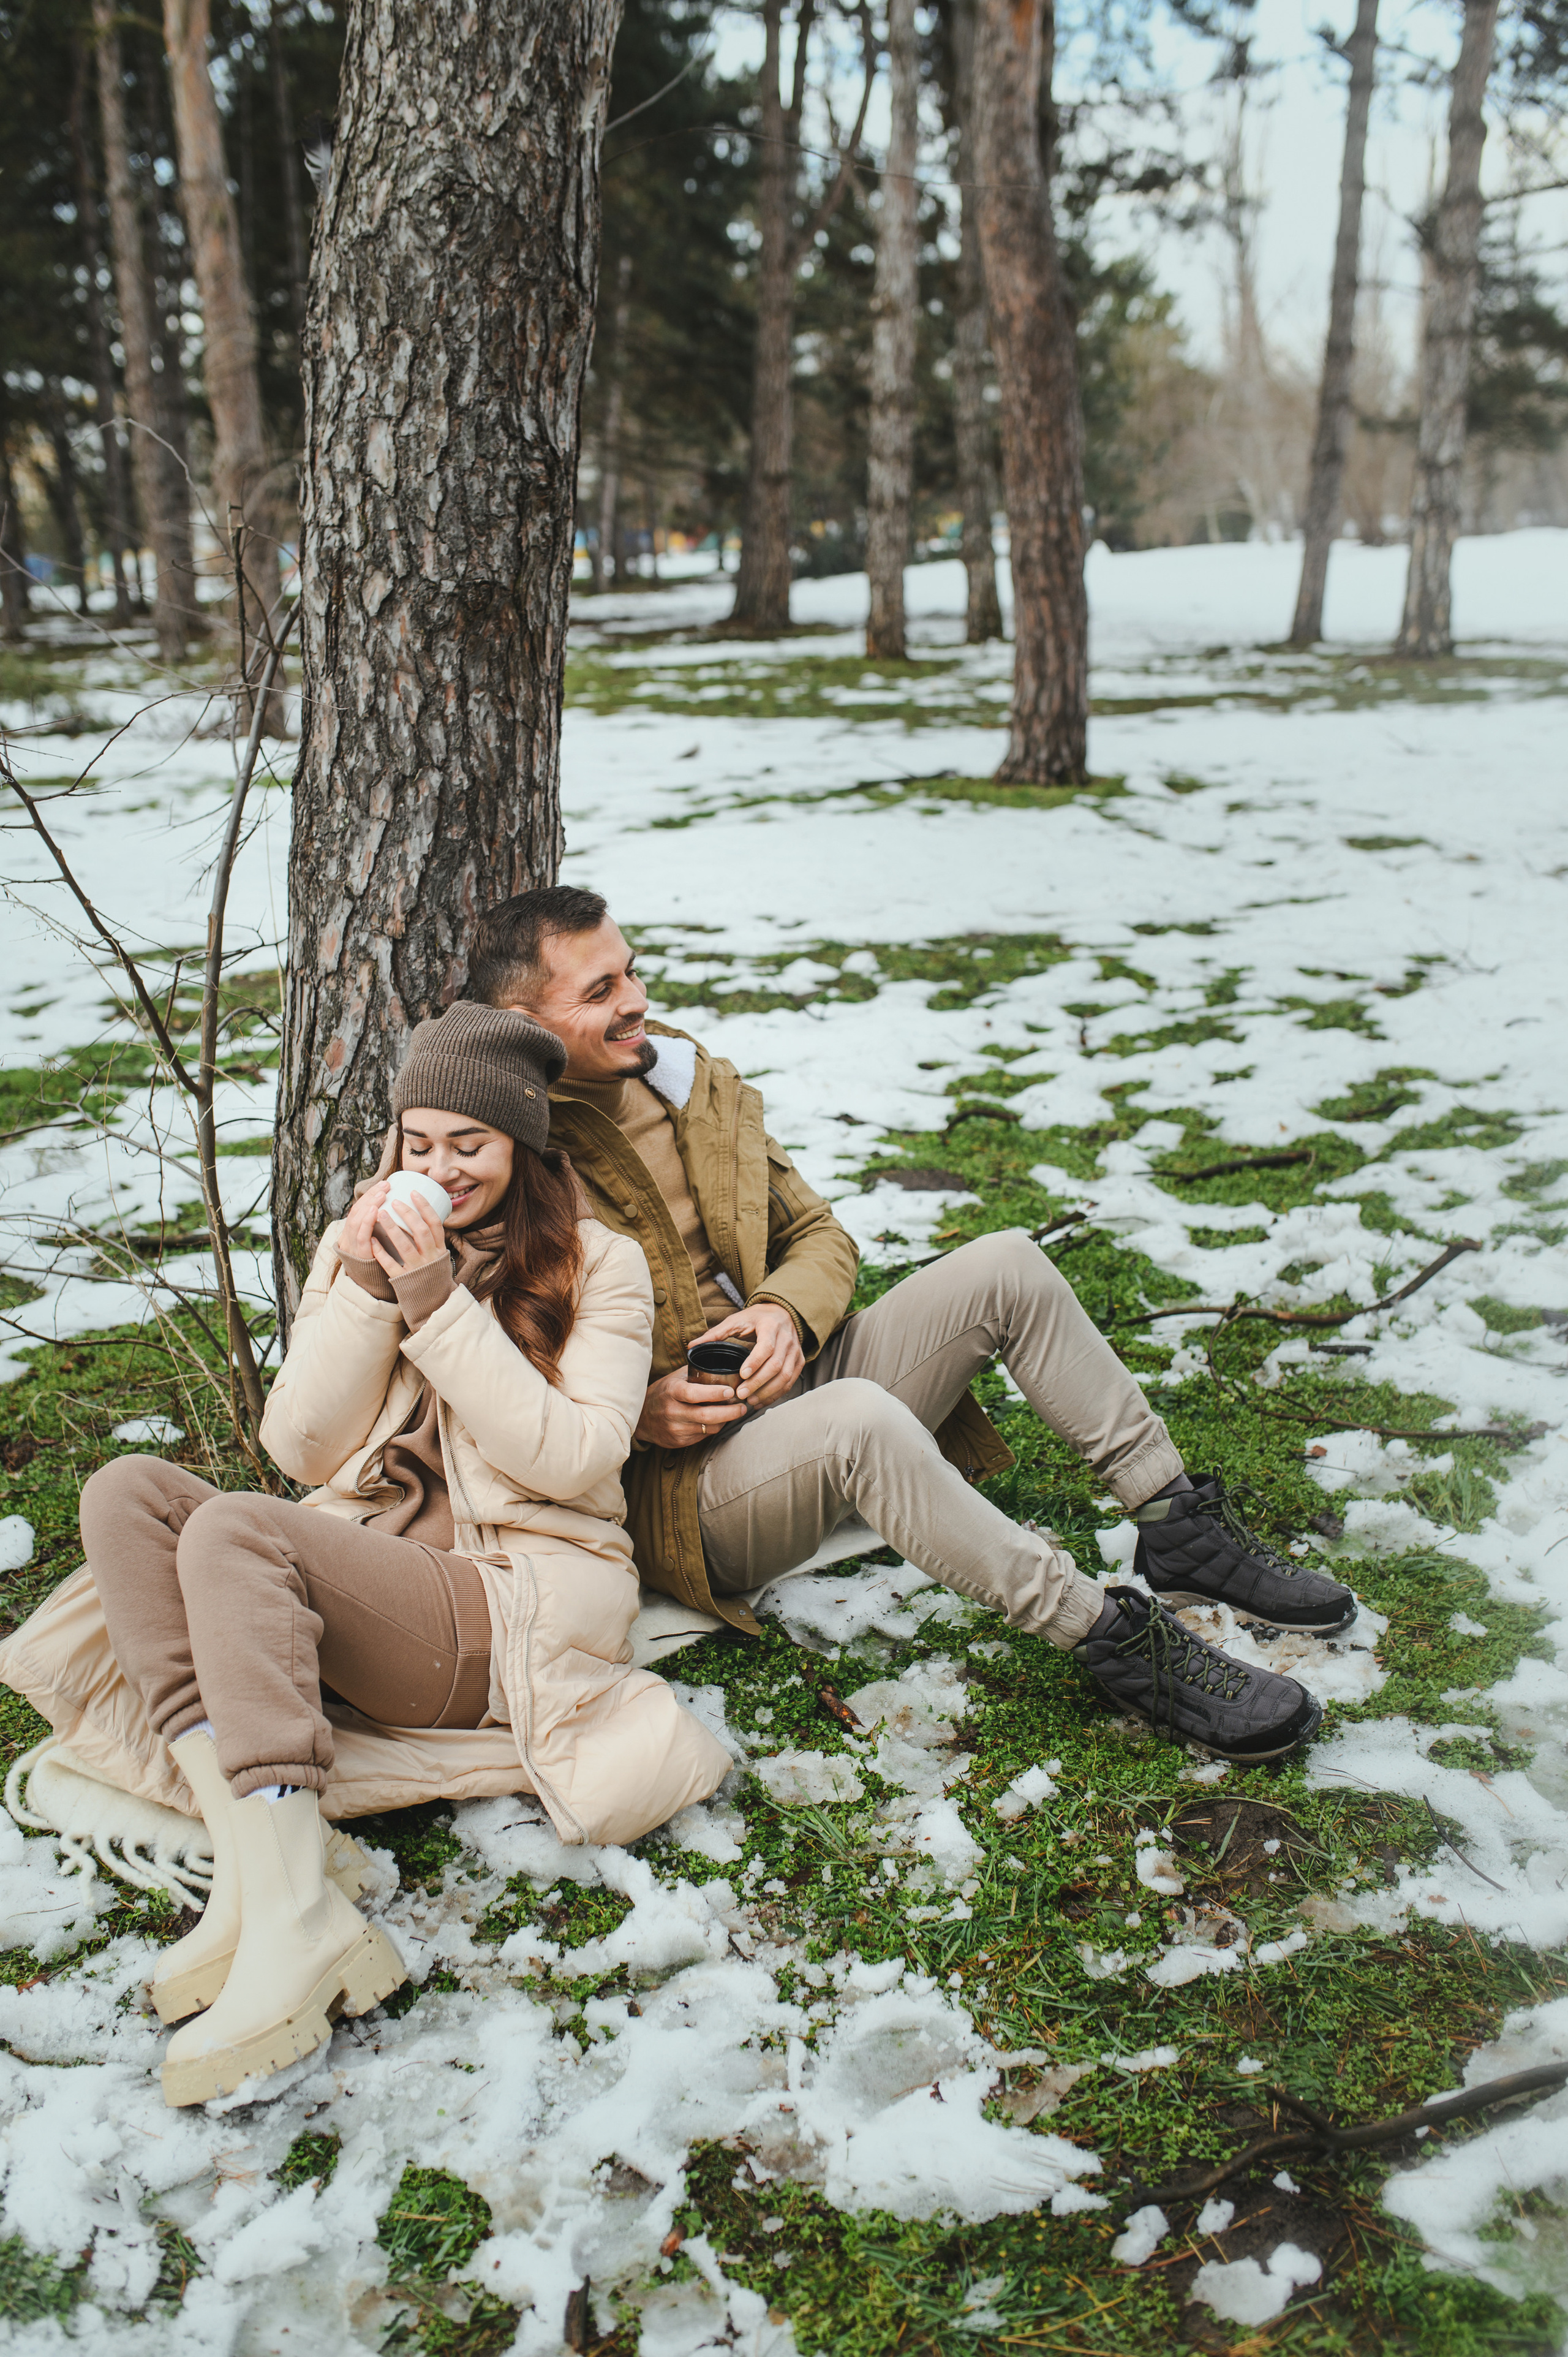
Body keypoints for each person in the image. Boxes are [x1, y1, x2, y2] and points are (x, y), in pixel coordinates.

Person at [466, 888, 1357, 1765]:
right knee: (857, 1419)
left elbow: (820, 1235)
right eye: (600, 992)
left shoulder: (686, 1078)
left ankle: (1178, 1526)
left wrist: (784, 1312)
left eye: (631, 972)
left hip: (791, 1382)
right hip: (683, 1490)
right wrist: (633, 1417)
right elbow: (488, 1388)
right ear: (523, 1024)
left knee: (1007, 1262)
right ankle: (1111, 1639)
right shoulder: (499, 1154)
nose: (635, 1001)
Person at [70, 1003, 728, 2108]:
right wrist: (369, 1288)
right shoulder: (361, 1245)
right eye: (418, 1143)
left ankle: (300, 1924)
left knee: (236, 1529)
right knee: (128, 1494)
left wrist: (437, 1301)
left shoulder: (599, 1265)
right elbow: (299, 1449)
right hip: (372, 1576)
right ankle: (261, 1877)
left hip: (508, 1605)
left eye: (468, 1145)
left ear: (522, 1145)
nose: (439, 1170)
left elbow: (573, 1458)